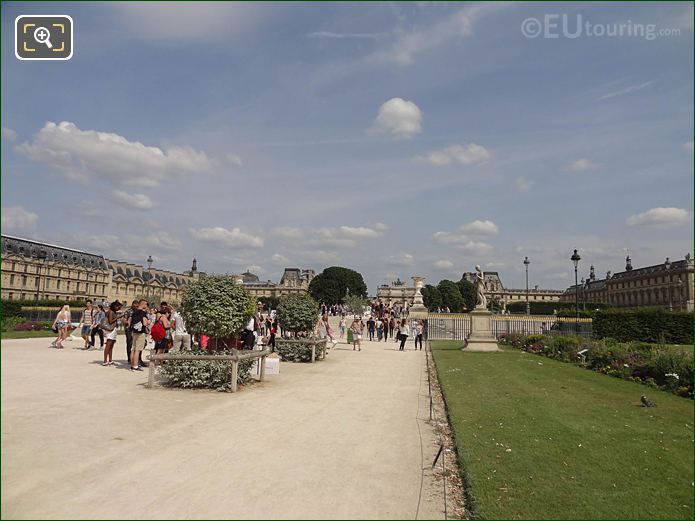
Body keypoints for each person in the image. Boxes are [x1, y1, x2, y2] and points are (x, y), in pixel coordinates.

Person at [129, 299, 150, 371]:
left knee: (133, 349)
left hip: (134, 332)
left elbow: (130, 322)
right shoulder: (143, 313)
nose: (146, 306)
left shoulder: (134, 312)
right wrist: (148, 322)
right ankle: (135, 366)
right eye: (146, 304)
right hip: (141, 333)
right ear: (143, 304)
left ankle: (132, 365)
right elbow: (145, 323)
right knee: (138, 350)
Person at [101, 301, 122, 366]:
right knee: (108, 345)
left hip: (113, 329)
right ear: (115, 306)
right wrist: (118, 317)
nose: (119, 308)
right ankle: (105, 360)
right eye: (118, 307)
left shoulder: (113, 312)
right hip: (110, 330)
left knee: (111, 346)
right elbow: (110, 321)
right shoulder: (110, 312)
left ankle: (110, 360)